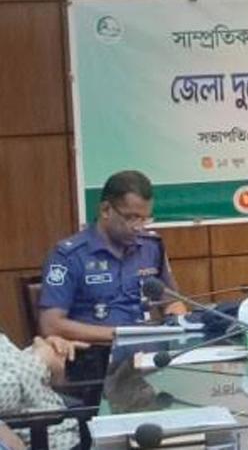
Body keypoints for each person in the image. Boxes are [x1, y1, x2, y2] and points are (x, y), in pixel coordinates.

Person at [39, 170, 186, 345]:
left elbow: (173, 301)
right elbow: (51, 325)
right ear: (106, 210)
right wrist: (120, 334)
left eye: (145, 219)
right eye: (132, 218)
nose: (139, 227)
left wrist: (175, 322)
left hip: (150, 349)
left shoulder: (151, 246)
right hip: (98, 352)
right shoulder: (69, 256)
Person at [0, 332, 87, 450]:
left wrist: (51, 351)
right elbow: (4, 397)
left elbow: (11, 369)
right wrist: (39, 360)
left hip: (72, 425)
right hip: (54, 439)